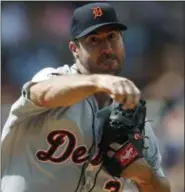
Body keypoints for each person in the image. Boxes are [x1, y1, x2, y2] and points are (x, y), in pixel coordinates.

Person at [1, 2, 170, 192]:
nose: (106, 48)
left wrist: (143, 175)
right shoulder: (54, 79)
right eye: (94, 40)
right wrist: (98, 82)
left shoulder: (134, 117)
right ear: (74, 49)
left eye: (112, 36)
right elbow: (41, 93)